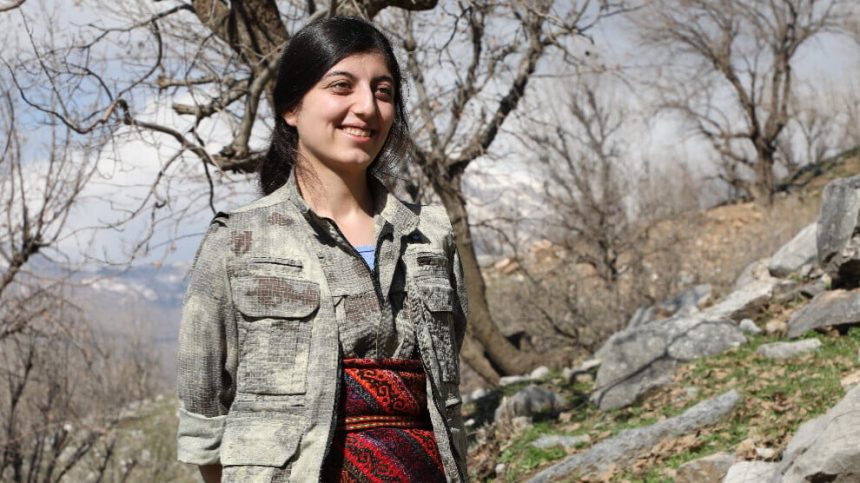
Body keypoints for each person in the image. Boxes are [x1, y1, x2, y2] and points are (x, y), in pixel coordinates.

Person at [175, 16, 468, 483]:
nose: (367, 107)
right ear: (292, 107)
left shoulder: (430, 234)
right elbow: (204, 414)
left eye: (383, 91)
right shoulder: (237, 240)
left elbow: (445, 399)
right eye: (341, 86)